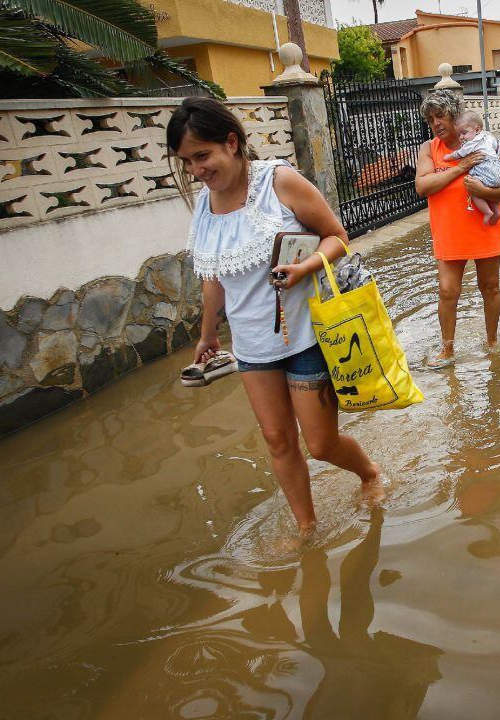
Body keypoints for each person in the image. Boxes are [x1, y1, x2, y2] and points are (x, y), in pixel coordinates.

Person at [167, 97, 382, 535]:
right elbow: (214, 276)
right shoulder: (205, 208)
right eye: (187, 162)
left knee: (320, 445)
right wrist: (208, 335)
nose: (196, 171)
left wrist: (304, 268)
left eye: (202, 156)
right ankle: (306, 528)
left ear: (232, 142)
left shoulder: (279, 182)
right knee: (278, 441)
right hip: (251, 347)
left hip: (304, 337)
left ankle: (370, 474)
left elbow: (337, 236)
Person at [415, 90, 500, 368]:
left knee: (490, 287)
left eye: (441, 116)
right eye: (431, 118)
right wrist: (461, 168)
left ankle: (492, 342)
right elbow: (422, 187)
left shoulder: (483, 142)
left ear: (455, 115)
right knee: (448, 291)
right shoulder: (429, 149)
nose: (436, 123)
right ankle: (447, 350)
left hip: (484, 227)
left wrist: (482, 189)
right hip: (449, 231)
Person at [442, 110, 500, 225]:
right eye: (459, 134)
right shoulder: (488, 136)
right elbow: (497, 145)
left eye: (464, 133)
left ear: (477, 130)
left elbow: (460, 153)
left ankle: (487, 212)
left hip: (486, 170)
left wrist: (448, 157)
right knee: (491, 194)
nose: (461, 137)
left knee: (474, 190)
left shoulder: (472, 143)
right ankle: (496, 211)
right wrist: (495, 155)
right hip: (498, 170)